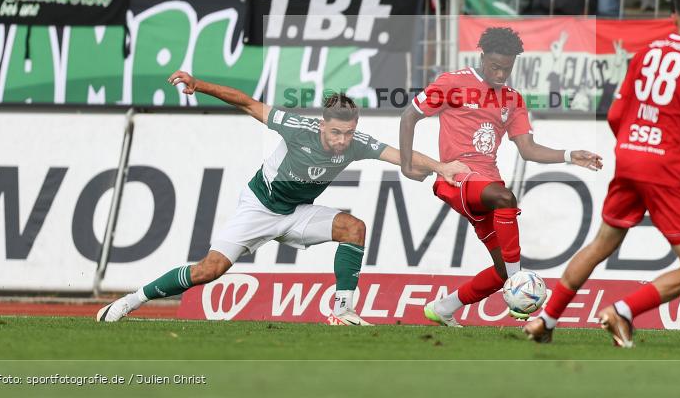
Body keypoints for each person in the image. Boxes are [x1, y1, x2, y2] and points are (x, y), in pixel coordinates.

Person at [97, 74, 468, 326]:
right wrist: (198, 84)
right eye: (337, 132)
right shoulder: (295, 128)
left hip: (296, 213)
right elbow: (244, 101)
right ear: (322, 125)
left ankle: (342, 310)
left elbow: (396, 154)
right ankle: (131, 301)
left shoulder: (356, 144)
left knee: (353, 228)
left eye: (348, 133)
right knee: (208, 271)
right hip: (258, 209)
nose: (342, 140)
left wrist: (440, 167)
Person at [523, 0, 680, 346]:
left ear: (673, 16)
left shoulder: (645, 54)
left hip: (629, 157)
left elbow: (615, 113)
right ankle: (622, 312)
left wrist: (633, 145)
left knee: (600, 244)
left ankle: (545, 321)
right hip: (665, 169)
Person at [399, 26, 603, 327]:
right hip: (456, 179)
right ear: (482, 56)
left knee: (500, 269)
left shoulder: (512, 100)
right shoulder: (453, 82)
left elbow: (528, 149)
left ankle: (444, 307)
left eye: (506, 68)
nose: (499, 74)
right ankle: (519, 280)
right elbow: (409, 116)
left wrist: (569, 155)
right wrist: (406, 164)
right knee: (506, 199)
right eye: (494, 66)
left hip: (486, 184)